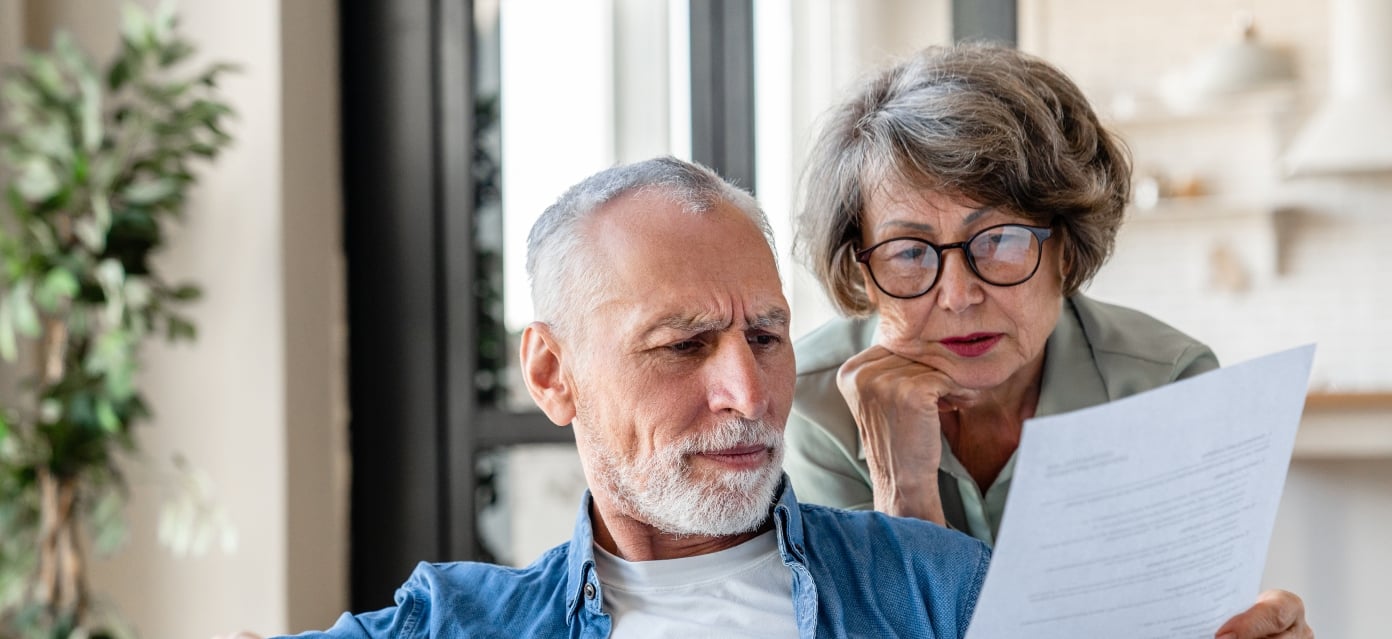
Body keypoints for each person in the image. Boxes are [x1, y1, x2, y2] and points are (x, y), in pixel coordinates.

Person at [259, 157, 989, 638]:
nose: (748, 394)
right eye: (683, 345)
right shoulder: (455, 623)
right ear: (551, 373)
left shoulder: (942, 589)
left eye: (766, 336)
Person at [783, 43, 1313, 638]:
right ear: (862, 272)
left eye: (1002, 240)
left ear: (1067, 247)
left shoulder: (1165, 383)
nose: (958, 295)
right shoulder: (808, 403)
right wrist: (903, 490)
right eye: (909, 252)